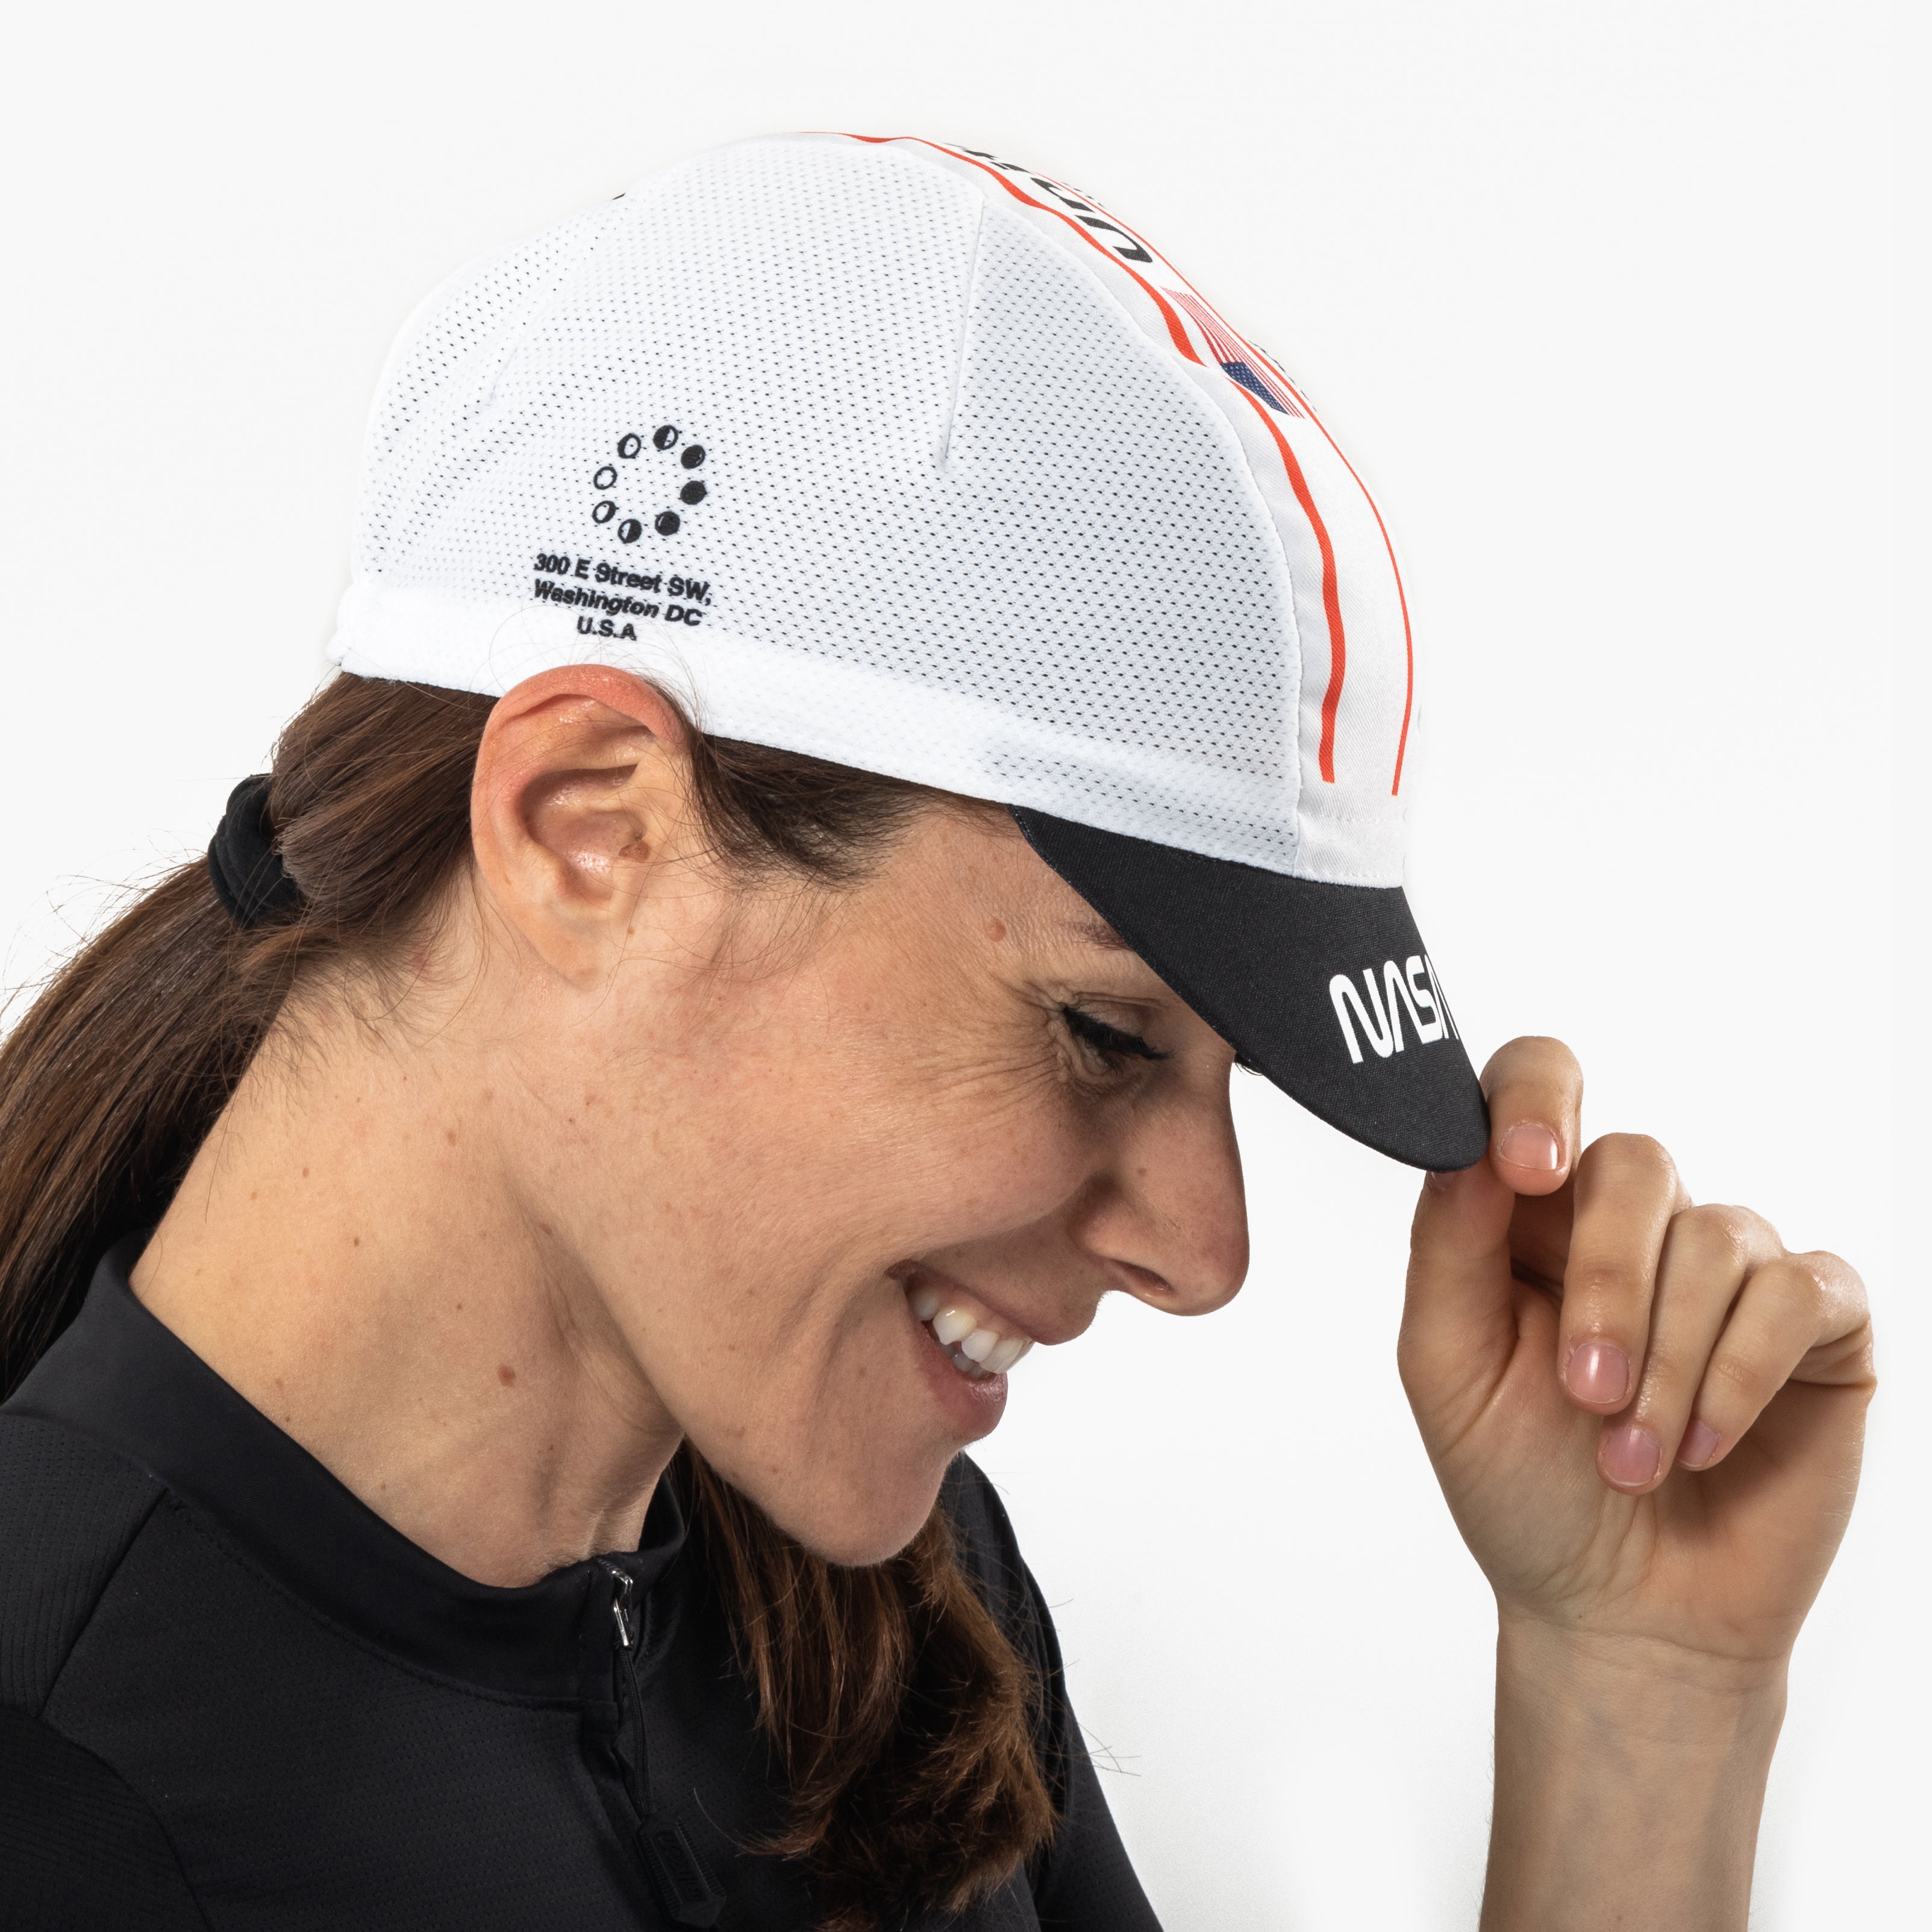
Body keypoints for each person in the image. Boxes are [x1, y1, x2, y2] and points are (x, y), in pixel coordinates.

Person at [0, 134, 1871, 1932]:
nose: (1208, 1254)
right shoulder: (58, 1810)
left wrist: (1643, 1694)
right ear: (590, 835)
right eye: (1104, 1032)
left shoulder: (870, 1617)